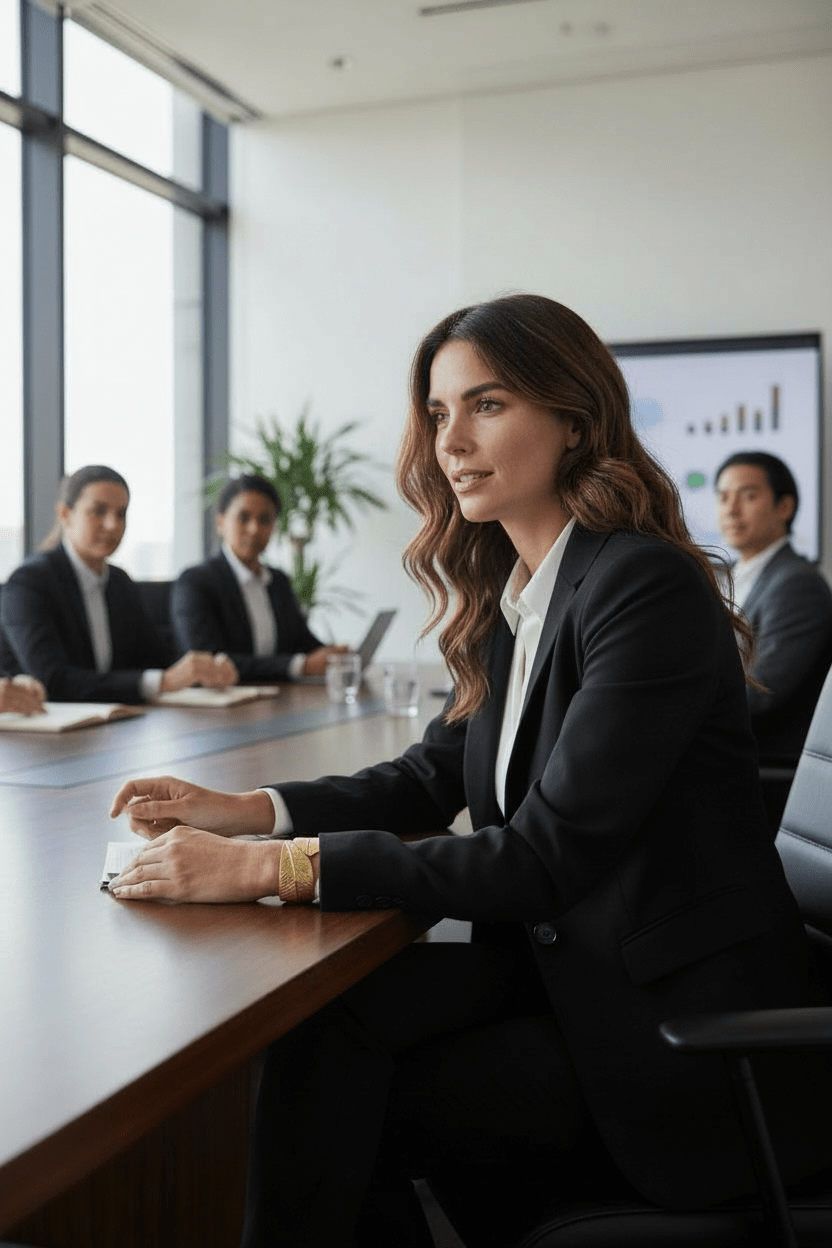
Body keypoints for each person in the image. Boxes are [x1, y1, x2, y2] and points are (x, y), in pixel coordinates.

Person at [108, 296, 830, 1247]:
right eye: (442, 414)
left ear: (575, 418)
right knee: (325, 1032)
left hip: (664, 1029)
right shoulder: (523, 591)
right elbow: (431, 774)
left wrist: (264, 871)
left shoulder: (641, 586)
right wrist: (248, 810)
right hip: (567, 965)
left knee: (337, 1109)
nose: (453, 442)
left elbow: (537, 859)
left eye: (486, 405)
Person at [0, 465, 238, 703]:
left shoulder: (119, 582)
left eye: (121, 513)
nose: (113, 524)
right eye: (98, 511)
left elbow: (155, 659)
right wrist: (163, 681)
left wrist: (203, 670)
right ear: (65, 514)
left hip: (111, 725)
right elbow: (53, 680)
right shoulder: (29, 583)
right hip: (45, 733)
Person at [715, 451, 832, 765]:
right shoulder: (726, 577)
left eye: (748, 496)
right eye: (723, 497)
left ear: (784, 506)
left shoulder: (797, 585)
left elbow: (762, 692)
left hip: (764, 763)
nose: (731, 509)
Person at [170, 474, 347, 681]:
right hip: (221, 706)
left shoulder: (277, 581)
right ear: (220, 522)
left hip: (278, 700)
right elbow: (208, 662)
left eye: (265, 519)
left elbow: (303, 642)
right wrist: (300, 666)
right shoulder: (195, 582)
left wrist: (334, 656)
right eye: (243, 518)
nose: (254, 529)